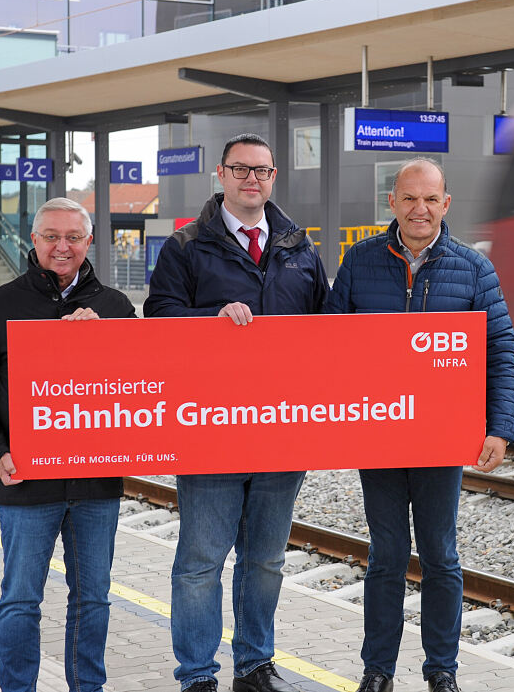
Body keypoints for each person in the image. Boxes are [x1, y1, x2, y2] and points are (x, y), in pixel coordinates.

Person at [326, 158, 514, 692]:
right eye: (410, 198)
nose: (420, 209)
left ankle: (442, 671)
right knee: (385, 557)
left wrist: (499, 427)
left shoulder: (473, 269)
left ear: (446, 205)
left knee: (441, 556)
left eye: (431, 199)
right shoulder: (360, 262)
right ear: (392, 203)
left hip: (440, 440)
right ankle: (378, 671)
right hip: (380, 437)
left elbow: (499, 350)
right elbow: (330, 347)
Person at [144, 133, 328, 692]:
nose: (253, 180)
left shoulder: (300, 247)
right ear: (220, 176)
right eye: (242, 170)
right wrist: (211, 317)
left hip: (281, 429)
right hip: (212, 429)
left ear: (274, 178)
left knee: (265, 561)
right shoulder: (186, 246)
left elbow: (328, 327)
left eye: (263, 171)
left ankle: (254, 666)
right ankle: (198, 675)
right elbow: (159, 319)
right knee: (201, 561)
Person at [0, 197, 136, 692]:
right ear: (33, 241)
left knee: (93, 599)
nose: (62, 246)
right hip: (26, 480)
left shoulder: (115, 307)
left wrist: (108, 341)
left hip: (96, 482)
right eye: (51, 236)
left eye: (73, 237)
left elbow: (142, 382)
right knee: (19, 600)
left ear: (89, 242)